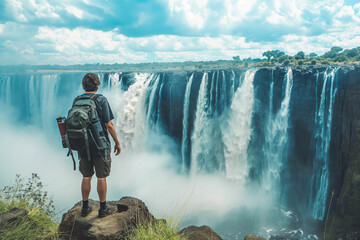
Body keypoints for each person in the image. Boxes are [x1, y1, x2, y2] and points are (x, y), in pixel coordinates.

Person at [76, 73, 121, 218]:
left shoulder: (77, 100)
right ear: (97, 84)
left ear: (84, 85)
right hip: (100, 145)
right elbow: (109, 124)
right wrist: (117, 142)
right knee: (101, 177)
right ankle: (103, 208)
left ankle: (85, 207)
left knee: (86, 176)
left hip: (82, 144)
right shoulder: (101, 100)